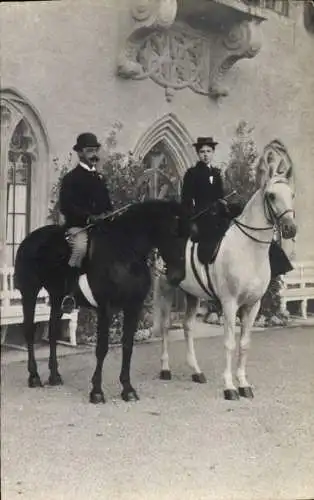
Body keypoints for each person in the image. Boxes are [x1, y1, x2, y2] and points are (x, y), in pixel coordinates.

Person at [59, 132, 113, 313]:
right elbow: (66, 206)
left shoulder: (99, 178)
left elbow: (107, 204)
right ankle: (69, 294)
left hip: (100, 227)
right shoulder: (71, 179)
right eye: (89, 151)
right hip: (79, 226)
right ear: (80, 153)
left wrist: (108, 213)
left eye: (95, 150)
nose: (93, 154)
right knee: (80, 247)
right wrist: (88, 217)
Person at [181, 136, 236, 264]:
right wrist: (191, 220)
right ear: (198, 154)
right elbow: (186, 199)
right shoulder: (192, 173)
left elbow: (220, 196)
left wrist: (223, 203)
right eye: (202, 152)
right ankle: (209, 262)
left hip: (219, 213)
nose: (205, 155)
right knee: (212, 233)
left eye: (208, 151)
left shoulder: (216, 173)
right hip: (202, 215)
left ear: (213, 153)